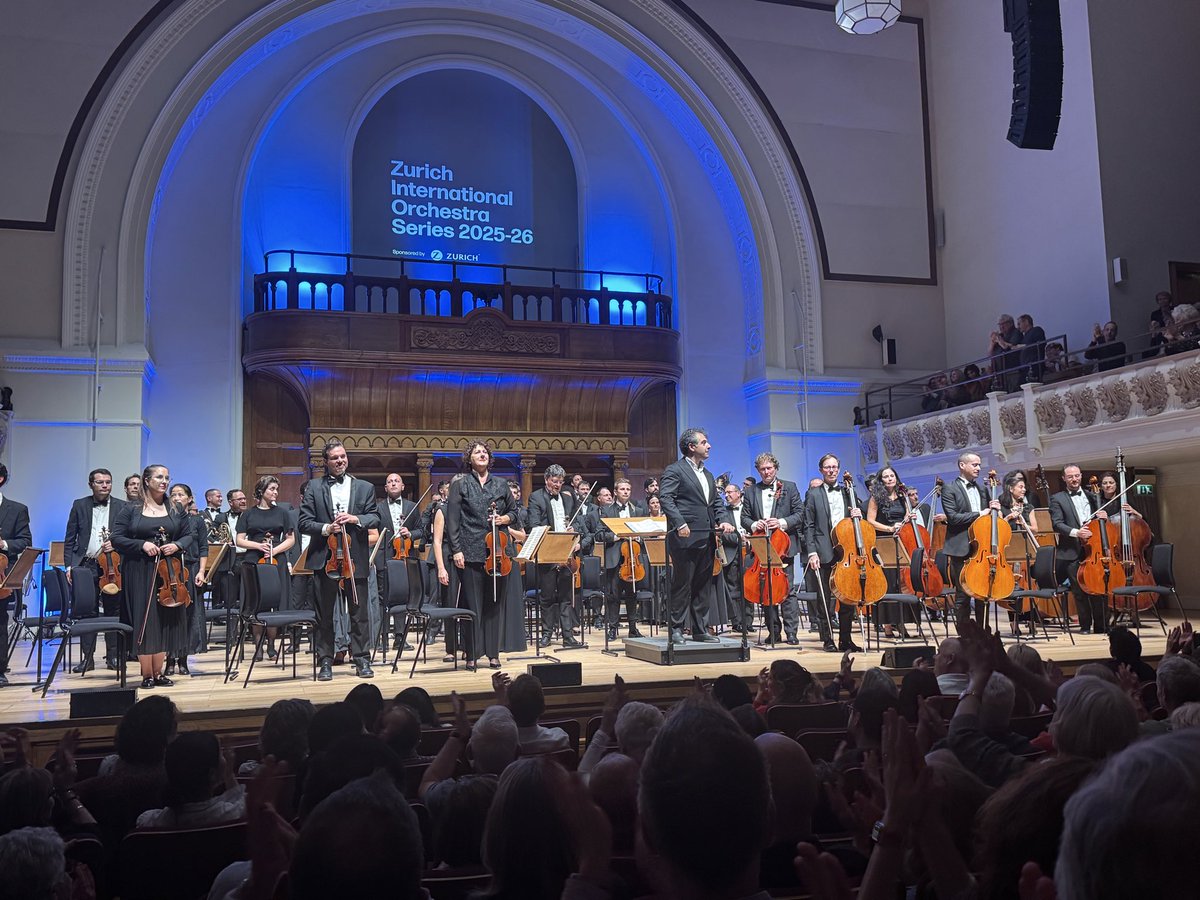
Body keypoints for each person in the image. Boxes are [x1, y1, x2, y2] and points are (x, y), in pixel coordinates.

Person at [299, 440, 381, 681]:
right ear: (326, 462)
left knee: (359, 611)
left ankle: (362, 659)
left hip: (355, 558)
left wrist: (355, 519)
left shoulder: (364, 487)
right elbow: (304, 522)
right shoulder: (314, 487)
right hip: (326, 558)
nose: (340, 461)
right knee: (324, 613)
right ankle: (325, 660)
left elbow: (374, 517)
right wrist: (327, 527)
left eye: (343, 456)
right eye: (334, 457)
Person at [109, 464, 194, 688]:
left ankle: (159, 672)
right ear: (147, 480)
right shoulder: (131, 509)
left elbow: (188, 535)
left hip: (168, 570)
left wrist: (176, 545)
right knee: (145, 620)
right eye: (159, 477)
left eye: (167, 477)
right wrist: (141, 544)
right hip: (139, 570)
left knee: (166, 618)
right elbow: (116, 538)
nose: (164, 481)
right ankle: (146, 673)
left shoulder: (175, 507)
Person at [658, 428, 735, 643]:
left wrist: (724, 520)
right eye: (704, 442)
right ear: (692, 447)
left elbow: (716, 503)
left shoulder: (708, 474)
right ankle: (676, 629)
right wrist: (679, 522)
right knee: (682, 584)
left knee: (703, 585)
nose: (709, 445)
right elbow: (666, 499)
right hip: (684, 537)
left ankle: (700, 629)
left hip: (707, 536)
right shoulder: (675, 470)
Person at [446, 441, 517, 669]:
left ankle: (493, 653)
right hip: (470, 551)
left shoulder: (501, 484)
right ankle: (471, 653)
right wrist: (456, 549)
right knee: (473, 605)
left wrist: (504, 519)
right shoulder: (461, 484)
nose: (482, 454)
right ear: (469, 459)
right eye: (477, 452)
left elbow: (515, 512)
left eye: (485, 452)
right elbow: (453, 520)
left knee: (494, 604)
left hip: (498, 552)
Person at [63, 468, 127, 673]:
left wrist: (116, 545)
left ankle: (114, 656)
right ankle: (87, 658)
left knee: (113, 610)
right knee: (86, 612)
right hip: (86, 564)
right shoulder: (79, 505)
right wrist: (69, 566)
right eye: (100, 482)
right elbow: (70, 537)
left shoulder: (122, 506)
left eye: (108, 482)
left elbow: (129, 537)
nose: (105, 485)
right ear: (91, 484)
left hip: (111, 565)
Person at [740, 452, 806, 644]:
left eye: (769, 468)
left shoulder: (790, 487)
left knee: (788, 591)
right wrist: (754, 525)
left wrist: (782, 522)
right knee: (766, 591)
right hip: (761, 546)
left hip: (784, 545)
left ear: (776, 468)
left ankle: (791, 633)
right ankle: (773, 632)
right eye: (763, 469)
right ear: (758, 471)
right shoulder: (751, 491)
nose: (766, 472)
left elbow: (800, 514)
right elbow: (744, 517)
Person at [803, 453, 863, 652]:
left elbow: (860, 515)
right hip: (823, 551)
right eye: (827, 467)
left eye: (834, 467)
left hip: (846, 552)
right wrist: (812, 552)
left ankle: (845, 639)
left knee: (847, 597)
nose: (831, 470)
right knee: (824, 598)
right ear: (821, 470)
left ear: (838, 469)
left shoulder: (848, 491)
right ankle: (827, 639)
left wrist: (858, 512)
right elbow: (808, 526)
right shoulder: (813, 494)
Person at [236, 474, 296, 662]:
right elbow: (239, 540)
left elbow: (291, 539)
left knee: (274, 604)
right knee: (256, 603)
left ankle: (271, 645)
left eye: (277, 489)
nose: (275, 492)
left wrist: (273, 550)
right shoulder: (248, 514)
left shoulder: (282, 513)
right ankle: (258, 646)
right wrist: (258, 546)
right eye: (272, 489)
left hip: (276, 561)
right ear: (261, 491)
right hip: (254, 560)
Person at [527, 464, 585, 650]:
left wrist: (574, 530)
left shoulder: (569, 499)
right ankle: (546, 634)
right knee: (547, 597)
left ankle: (568, 636)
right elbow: (534, 525)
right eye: (554, 481)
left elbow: (577, 522)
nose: (557, 485)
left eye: (560, 482)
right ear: (546, 480)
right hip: (548, 553)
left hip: (567, 554)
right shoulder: (536, 497)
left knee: (566, 597)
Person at [940, 451, 1000, 627]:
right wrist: (981, 514)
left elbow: (989, 518)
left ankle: (983, 631)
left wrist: (996, 510)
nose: (979, 468)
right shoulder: (949, 488)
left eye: (979, 465)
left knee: (983, 592)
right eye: (975, 465)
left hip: (981, 547)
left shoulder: (982, 489)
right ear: (962, 466)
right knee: (963, 594)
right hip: (960, 547)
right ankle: (964, 634)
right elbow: (953, 517)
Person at [135, 732, 244, 829]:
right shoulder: (233, 815)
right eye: (221, 754)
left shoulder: (148, 822)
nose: (224, 756)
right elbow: (241, 802)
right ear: (211, 774)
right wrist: (229, 775)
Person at [1049, 464, 1110, 634]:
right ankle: (1084, 625)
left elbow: (1104, 523)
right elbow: (1057, 524)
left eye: (1077, 476)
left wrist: (1105, 516)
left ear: (1081, 476)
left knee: (1099, 588)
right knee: (1079, 591)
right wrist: (1077, 532)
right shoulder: (1057, 499)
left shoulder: (1093, 496)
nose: (1074, 479)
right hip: (1072, 551)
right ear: (1064, 479)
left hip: (1094, 550)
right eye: (1070, 477)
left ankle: (1103, 625)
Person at [596, 477, 647, 641]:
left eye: (628, 489)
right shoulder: (607, 511)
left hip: (633, 560)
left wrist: (640, 538)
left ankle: (633, 628)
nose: (626, 492)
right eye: (622, 489)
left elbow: (644, 532)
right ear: (615, 492)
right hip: (614, 559)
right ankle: (612, 628)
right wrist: (615, 536)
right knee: (613, 596)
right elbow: (599, 534)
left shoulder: (637, 511)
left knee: (632, 595)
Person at [165, 483, 209, 675]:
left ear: (189, 499)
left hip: (190, 569)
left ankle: (183, 659)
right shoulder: (165, 519)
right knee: (170, 616)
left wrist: (201, 571)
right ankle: (169, 660)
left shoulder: (197, 521)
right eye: (173, 494)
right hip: (169, 571)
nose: (176, 498)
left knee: (189, 616)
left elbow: (203, 548)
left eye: (180, 494)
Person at [865, 465, 912, 639]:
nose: (890, 478)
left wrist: (909, 518)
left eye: (892, 475)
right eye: (886, 476)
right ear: (881, 480)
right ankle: (886, 625)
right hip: (884, 542)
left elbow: (907, 515)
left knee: (902, 583)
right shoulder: (876, 498)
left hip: (901, 541)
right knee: (888, 582)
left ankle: (901, 622)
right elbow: (870, 521)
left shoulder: (902, 496)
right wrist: (889, 528)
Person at [718, 481, 752, 635]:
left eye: (730, 492)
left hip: (750, 552)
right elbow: (724, 535)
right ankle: (737, 621)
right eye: (725, 493)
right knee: (733, 588)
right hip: (732, 552)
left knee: (749, 587)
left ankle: (749, 621)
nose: (727, 495)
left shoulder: (748, 509)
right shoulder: (723, 513)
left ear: (739, 493)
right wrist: (740, 539)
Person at [988, 314, 1024, 391]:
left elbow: (1011, 347)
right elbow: (989, 354)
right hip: (999, 373)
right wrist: (992, 342)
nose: (1001, 327)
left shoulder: (1016, 332)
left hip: (1012, 370)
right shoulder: (1000, 335)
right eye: (999, 325)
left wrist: (999, 340)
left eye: (1003, 324)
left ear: (1010, 323)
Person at [1016, 313, 1046, 383]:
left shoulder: (1037, 330)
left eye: (1019, 324)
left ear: (1026, 322)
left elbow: (1041, 344)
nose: (1018, 327)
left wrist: (1023, 346)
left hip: (1034, 366)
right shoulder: (1024, 337)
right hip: (1025, 368)